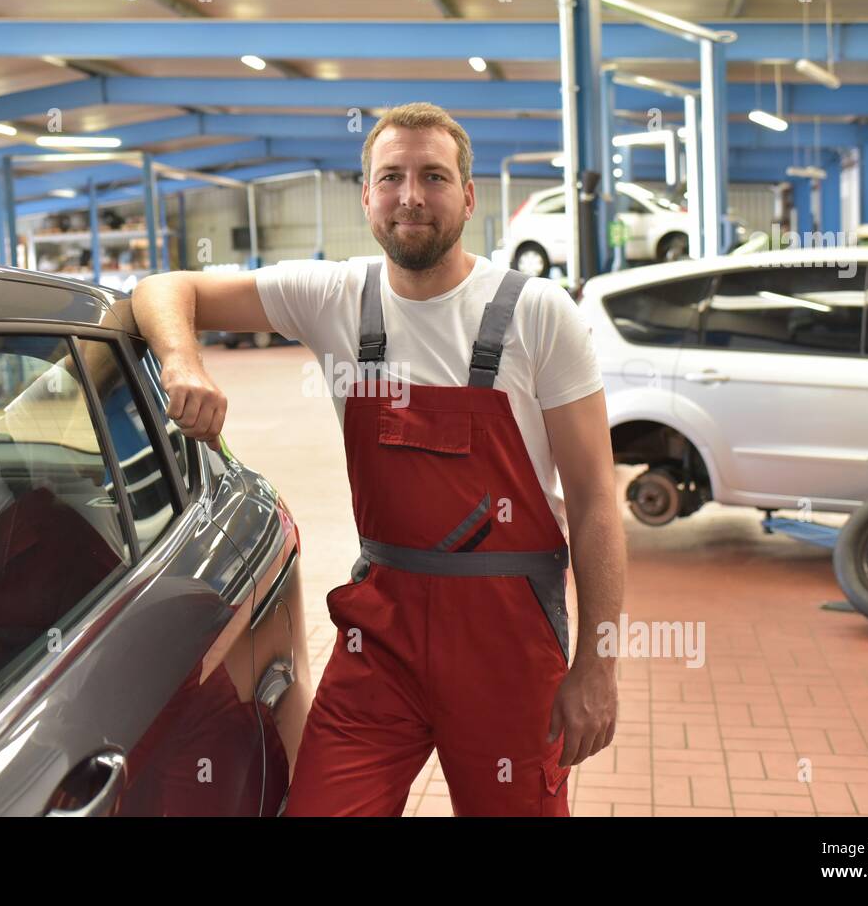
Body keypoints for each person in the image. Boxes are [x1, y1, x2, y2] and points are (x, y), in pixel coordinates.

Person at [132, 101, 625, 817]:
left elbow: (593, 500)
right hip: (380, 635)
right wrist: (183, 363)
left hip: (507, 645)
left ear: (468, 195)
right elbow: (163, 288)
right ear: (365, 195)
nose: (411, 196)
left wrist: (598, 665)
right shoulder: (335, 294)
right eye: (391, 177)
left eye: (433, 176)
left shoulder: (538, 312)